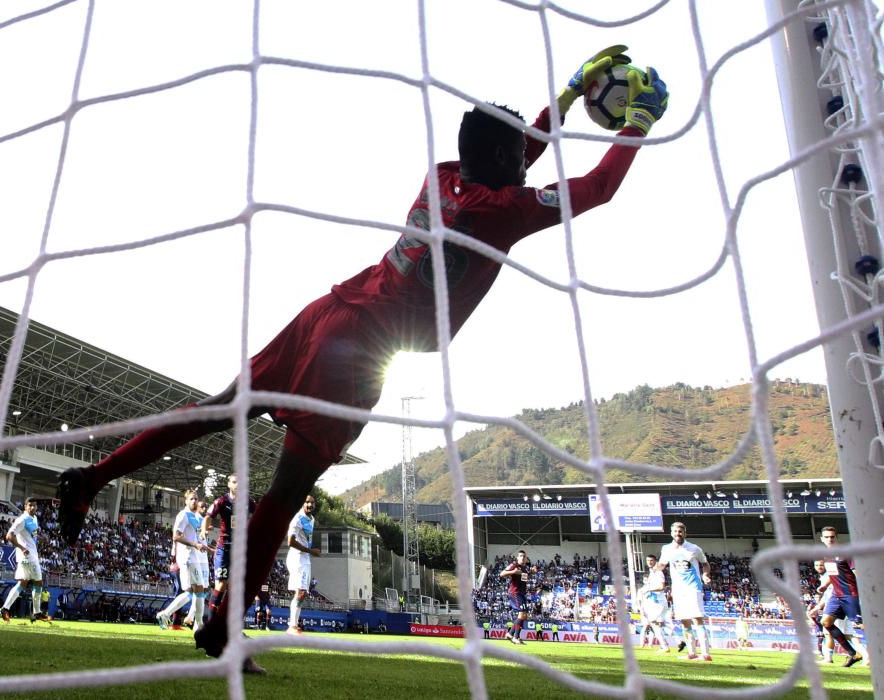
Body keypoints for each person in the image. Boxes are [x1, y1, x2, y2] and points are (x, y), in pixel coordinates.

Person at [55, 45, 668, 659]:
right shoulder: (500, 210)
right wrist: (638, 120)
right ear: (502, 160)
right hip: (360, 352)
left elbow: (515, 149)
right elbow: (597, 188)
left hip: (329, 310)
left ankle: (92, 477)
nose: (527, 165)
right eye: (518, 157)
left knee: (220, 407)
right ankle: (222, 623)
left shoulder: (445, 175)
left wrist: (564, 97)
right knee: (286, 489)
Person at [156, 490, 211, 633]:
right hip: (187, 557)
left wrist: (205, 547)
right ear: (186, 501)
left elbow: (197, 538)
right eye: (191, 499)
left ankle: (165, 614)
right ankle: (198, 624)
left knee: (192, 592)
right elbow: (176, 536)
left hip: (195, 557)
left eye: (196, 499)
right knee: (198, 589)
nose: (194, 501)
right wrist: (194, 544)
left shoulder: (195, 517)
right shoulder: (183, 515)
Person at [202, 473, 257, 616]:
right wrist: (203, 530)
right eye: (234, 482)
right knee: (221, 584)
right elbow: (208, 516)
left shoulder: (248, 501)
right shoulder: (221, 501)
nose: (238, 485)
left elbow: (259, 515)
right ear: (229, 484)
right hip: (224, 549)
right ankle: (212, 624)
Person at [657, 522, 712, 661]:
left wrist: (705, 575)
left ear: (685, 533)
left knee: (697, 619)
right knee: (684, 621)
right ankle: (692, 653)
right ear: (671, 533)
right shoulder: (666, 549)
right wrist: (654, 568)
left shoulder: (694, 548)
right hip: (678, 590)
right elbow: (662, 564)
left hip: (693, 588)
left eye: (680, 531)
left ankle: (705, 654)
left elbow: (705, 563)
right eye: (675, 531)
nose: (678, 534)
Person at [0, 497, 51, 624]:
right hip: (28, 557)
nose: (32, 507)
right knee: (38, 582)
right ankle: (37, 612)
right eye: (30, 505)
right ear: (25, 507)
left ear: (37, 507)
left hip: (29, 555)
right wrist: (22, 548)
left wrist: (41, 539)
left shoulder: (35, 518)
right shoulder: (22, 519)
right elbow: (9, 535)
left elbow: (34, 534)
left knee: (22, 583)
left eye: (34, 505)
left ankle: (4, 609)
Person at [816, 529, 865, 668]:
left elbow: (857, 573)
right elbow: (833, 574)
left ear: (836, 537)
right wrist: (824, 586)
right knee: (825, 622)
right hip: (836, 595)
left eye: (832, 537)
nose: (830, 539)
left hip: (850, 594)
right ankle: (853, 654)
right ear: (822, 539)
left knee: (862, 625)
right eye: (827, 537)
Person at [285, 495, 321, 635]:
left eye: (312, 502)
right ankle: (292, 626)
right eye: (307, 502)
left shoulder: (311, 520)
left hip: (305, 559)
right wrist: (310, 550)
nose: (309, 505)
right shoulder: (297, 519)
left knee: (303, 593)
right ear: (302, 503)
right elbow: (290, 541)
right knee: (300, 592)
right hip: (297, 558)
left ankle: (294, 625)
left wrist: (310, 552)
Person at [183, 498, 213, 629]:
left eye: (206, 507)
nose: (204, 509)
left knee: (204, 589)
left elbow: (206, 529)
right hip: (196, 558)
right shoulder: (194, 518)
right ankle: (195, 621)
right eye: (202, 507)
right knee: (198, 590)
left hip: (203, 558)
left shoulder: (202, 519)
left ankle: (191, 617)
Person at [500, 549, 537, 645]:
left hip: (522, 594)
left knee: (524, 615)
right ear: (517, 557)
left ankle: (510, 634)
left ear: (526, 559)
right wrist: (513, 572)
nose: (522, 558)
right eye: (520, 556)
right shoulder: (514, 565)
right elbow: (502, 574)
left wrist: (531, 572)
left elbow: (523, 578)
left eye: (524, 556)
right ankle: (515, 637)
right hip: (515, 593)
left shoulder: (524, 569)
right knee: (521, 615)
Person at [638, 553, 671, 652]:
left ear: (655, 561)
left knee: (654, 623)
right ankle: (666, 645)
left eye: (651, 560)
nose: (649, 562)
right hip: (656, 602)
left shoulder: (658, 572)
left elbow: (661, 587)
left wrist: (649, 589)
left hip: (658, 602)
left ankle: (665, 646)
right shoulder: (652, 572)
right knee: (657, 624)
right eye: (648, 561)